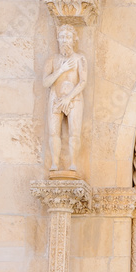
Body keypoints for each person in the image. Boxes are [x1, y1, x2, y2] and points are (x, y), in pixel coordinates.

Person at [43, 25, 87, 172]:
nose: (64, 40)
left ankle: (73, 163)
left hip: (73, 99)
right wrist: (61, 69)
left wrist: (69, 98)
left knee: (74, 132)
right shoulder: (53, 60)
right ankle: (55, 163)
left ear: (74, 39)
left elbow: (82, 81)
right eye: (62, 37)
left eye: (67, 37)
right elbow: (46, 82)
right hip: (55, 98)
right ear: (57, 39)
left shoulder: (79, 59)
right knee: (53, 132)